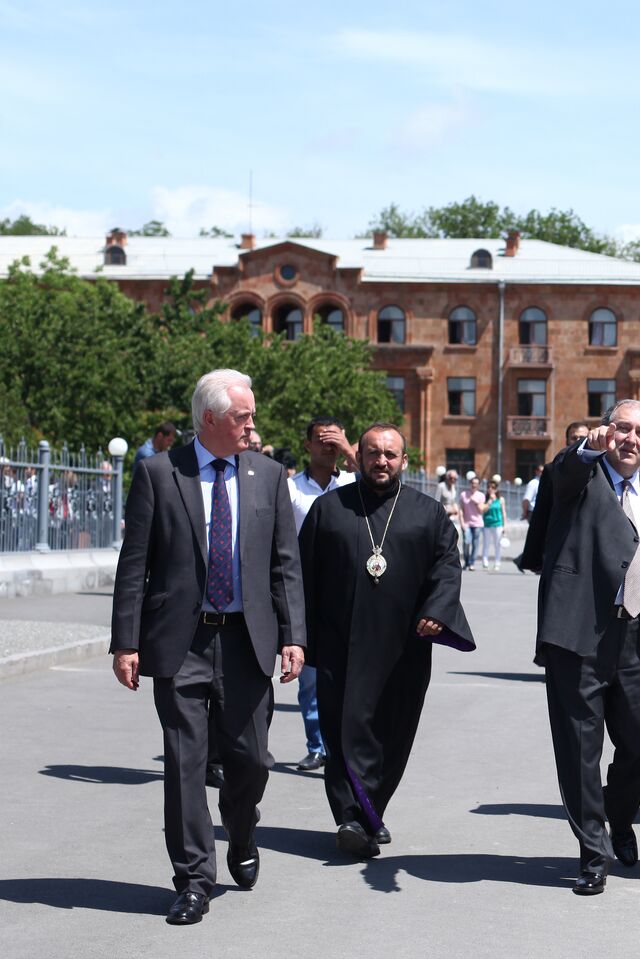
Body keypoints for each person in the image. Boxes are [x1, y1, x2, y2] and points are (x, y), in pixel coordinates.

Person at [110, 369, 305, 925]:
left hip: (247, 642)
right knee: (184, 764)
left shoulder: (268, 475)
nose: (253, 426)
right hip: (180, 644)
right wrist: (125, 641)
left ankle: (242, 832)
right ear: (211, 419)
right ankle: (194, 879)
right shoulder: (157, 473)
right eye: (244, 417)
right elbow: (135, 566)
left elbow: (284, 565)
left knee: (251, 761)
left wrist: (294, 636)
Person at [298, 424, 474, 858]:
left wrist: (436, 611)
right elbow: (301, 574)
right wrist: (296, 638)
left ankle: (371, 811)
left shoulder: (428, 513)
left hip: (404, 647)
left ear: (404, 461)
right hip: (342, 644)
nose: (381, 461)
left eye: (390, 455)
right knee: (342, 731)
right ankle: (351, 817)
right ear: (359, 456)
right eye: (373, 453)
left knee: (394, 732)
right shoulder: (328, 509)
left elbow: (447, 568)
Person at [535, 401, 640, 895]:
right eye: (622, 428)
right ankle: (593, 853)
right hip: (580, 636)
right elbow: (562, 474)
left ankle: (619, 819)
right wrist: (584, 450)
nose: (630, 439)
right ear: (607, 431)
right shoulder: (581, 481)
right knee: (580, 750)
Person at [286, 416, 360, 773]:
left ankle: (345, 749)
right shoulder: (290, 489)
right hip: (307, 592)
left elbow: (387, 487)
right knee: (310, 678)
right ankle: (317, 746)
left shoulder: (352, 483)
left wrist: (349, 450)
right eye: (320, 440)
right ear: (307, 446)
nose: (326, 447)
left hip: (350, 591)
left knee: (351, 678)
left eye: (333, 441)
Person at [517, 422, 590, 575]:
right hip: (560, 543)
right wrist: (534, 556)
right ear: (567, 441)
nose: (577, 441)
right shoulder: (552, 470)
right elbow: (541, 512)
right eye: (573, 438)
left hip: (589, 542)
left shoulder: (601, 469)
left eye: (582, 438)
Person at [459, 475, 486, 570]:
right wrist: (461, 522)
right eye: (472, 483)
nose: (474, 485)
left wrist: (476, 503)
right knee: (466, 542)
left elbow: (481, 511)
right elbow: (461, 510)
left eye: (476, 484)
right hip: (466, 523)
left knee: (475, 544)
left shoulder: (481, 495)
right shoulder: (463, 494)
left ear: (478, 485)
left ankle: (472, 563)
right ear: (470, 484)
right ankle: (466, 562)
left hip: (477, 524)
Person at [437, 469, 462, 563]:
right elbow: (437, 501)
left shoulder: (453, 487)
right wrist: (448, 510)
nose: (453, 480)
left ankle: (451, 557)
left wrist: (457, 510)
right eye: (451, 478)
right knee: (445, 538)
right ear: (447, 477)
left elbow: (454, 501)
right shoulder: (441, 486)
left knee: (454, 536)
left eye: (455, 478)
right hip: (444, 515)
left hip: (453, 516)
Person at [481, 478, 505, 570]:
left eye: (493, 487)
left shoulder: (501, 499)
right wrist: (490, 501)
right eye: (489, 487)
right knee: (486, 544)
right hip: (487, 524)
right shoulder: (485, 498)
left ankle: (497, 563)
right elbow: (483, 510)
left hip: (498, 524)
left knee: (497, 545)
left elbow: (503, 513)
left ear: (496, 489)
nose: (491, 489)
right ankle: (485, 561)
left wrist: (504, 526)